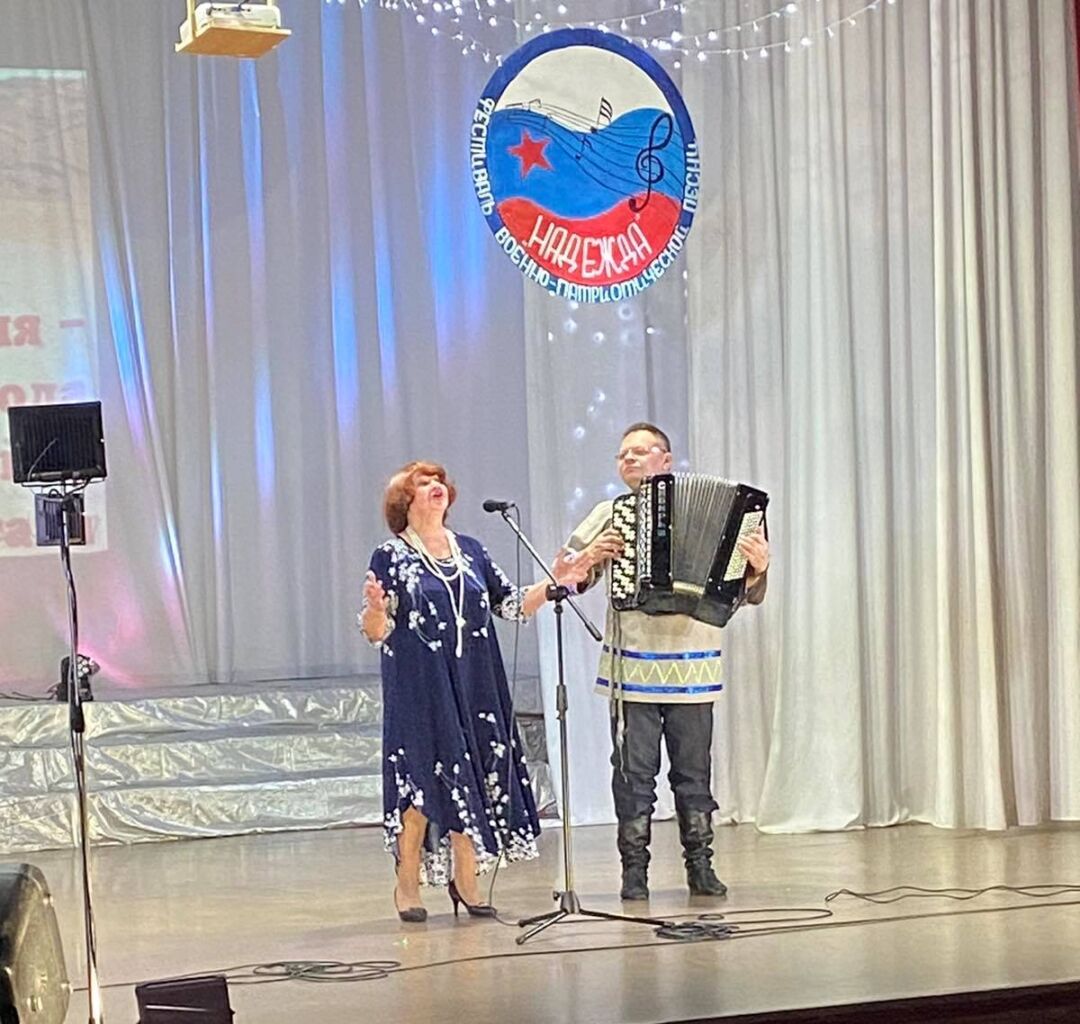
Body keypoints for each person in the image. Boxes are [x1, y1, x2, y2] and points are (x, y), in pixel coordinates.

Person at [558, 423, 770, 901]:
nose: (629, 460)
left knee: (693, 774)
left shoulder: (733, 513)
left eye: (639, 451)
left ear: (666, 460)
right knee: (633, 775)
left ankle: (701, 865)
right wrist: (588, 557)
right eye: (622, 455)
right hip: (631, 667)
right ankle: (634, 872)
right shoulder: (609, 513)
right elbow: (566, 575)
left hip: (693, 665)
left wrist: (759, 569)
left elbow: (747, 593)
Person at [360, 460, 575, 923]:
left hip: (477, 679)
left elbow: (511, 604)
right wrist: (374, 610)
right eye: (423, 483)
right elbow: (378, 631)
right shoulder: (389, 555)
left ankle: (466, 877)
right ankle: (406, 881)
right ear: (404, 501)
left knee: (473, 772)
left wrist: (552, 582)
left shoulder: (471, 551)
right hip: (420, 685)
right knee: (421, 783)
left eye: (439, 480)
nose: (435, 486)